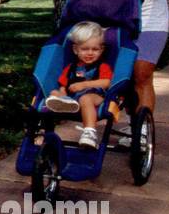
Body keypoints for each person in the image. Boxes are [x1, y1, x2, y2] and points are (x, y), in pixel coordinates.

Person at [45, 21, 116, 150]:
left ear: (101, 50)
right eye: (85, 49)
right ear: (75, 50)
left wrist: (85, 84)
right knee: (54, 93)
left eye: (95, 49)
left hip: (96, 96)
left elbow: (107, 82)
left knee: (85, 99)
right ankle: (65, 104)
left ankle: (89, 132)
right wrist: (62, 93)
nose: (90, 53)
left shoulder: (102, 66)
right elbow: (63, 85)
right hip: (73, 98)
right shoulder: (71, 67)